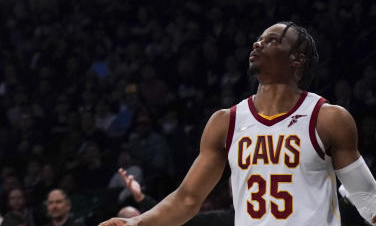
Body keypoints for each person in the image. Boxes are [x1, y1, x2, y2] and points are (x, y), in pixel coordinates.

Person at [99, 21, 376, 226]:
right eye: (258, 39)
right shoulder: (226, 122)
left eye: (271, 40)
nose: (257, 44)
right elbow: (186, 199)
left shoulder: (328, 118)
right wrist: (137, 223)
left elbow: (365, 196)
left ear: (297, 60)